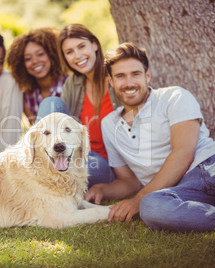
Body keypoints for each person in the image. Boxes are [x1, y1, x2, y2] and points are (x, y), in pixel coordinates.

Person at [84, 42, 215, 232]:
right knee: (152, 208)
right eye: (120, 76)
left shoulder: (174, 97)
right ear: (110, 81)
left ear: (147, 75)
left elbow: (183, 153)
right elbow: (130, 181)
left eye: (135, 74)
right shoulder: (109, 124)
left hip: (207, 168)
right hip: (176, 192)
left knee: (143, 201)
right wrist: (102, 189)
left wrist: (138, 199)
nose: (129, 83)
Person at [37, 23, 121, 187]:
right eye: (69, 52)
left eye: (81, 46)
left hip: (107, 165)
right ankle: (39, 160)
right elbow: (60, 126)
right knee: (51, 102)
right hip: (73, 155)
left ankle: (39, 174)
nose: (77, 55)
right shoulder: (72, 83)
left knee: (82, 164)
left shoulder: (117, 77)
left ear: (95, 45)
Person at [7, 28, 67, 125]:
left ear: (52, 55)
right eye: (28, 58)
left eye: (40, 54)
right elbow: (36, 131)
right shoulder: (27, 97)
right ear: (22, 64)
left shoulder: (70, 84)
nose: (35, 61)